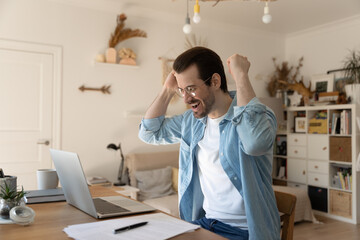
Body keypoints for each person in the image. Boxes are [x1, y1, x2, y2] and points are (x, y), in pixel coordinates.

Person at [138, 47, 280, 240]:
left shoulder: (259, 116)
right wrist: (168, 90)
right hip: (206, 223)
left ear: (215, 81)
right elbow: (149, 133)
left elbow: (255, 144)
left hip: (246, 231)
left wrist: (240, 76)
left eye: (191, 88)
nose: (186, 99)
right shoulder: (191, 122)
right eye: (182, 91)